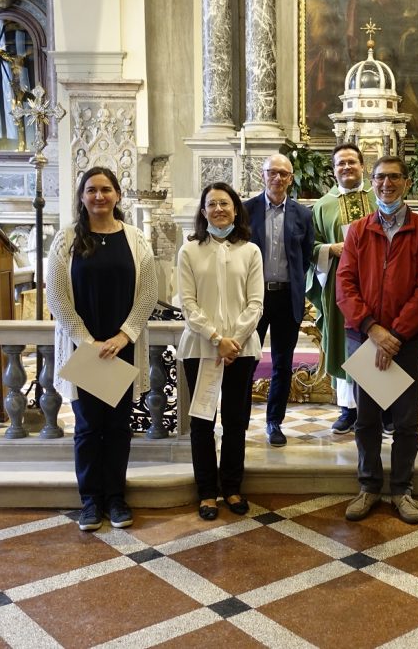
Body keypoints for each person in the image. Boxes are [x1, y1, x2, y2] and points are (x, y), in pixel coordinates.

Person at [47, 166, 158, 532]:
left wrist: (124, 336)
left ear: (117, 195)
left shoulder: (136, 239)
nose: (99, 196)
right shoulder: (66, 241)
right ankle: (91, 501)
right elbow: (57, 297)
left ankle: (116, 497)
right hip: (86, 349)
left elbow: (148, 293)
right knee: (88, 427)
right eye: (91, 190)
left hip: (121, 347)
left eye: (106, 189)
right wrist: (87, 340)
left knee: (119, 426)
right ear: (82, 197)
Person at [336, 155, 418, 524]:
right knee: (365, 418)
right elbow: (345, 284)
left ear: (407, 183)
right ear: (372, 181)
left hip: (405, 340)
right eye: (380, 177)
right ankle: (368, 486)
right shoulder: (359, 230)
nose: (386, 184)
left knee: (407, 420)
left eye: (394, 177)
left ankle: (401, 489)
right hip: (364, 336)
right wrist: (372, 329)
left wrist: (395, 334)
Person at [177, 182, 264, 520]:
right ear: (203, 211)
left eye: (224, 204)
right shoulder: (189, 251)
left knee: (235, 421)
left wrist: (234, 341)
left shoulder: (250, 251)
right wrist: (217, 338)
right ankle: (206, 492)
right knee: (202, 422)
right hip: (201, 348)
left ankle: (231, 486)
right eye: (211, 204)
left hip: (240, 351)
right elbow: (188, 303)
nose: (218, 209)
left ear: (235, 209)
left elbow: (256, 304)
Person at [307, 143, 377, 435]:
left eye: (352, 162)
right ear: (333, 170)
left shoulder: (380, 198)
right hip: (340, 287)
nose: (346, 168)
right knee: (344, 343)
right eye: (340, 164)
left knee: (376, 342)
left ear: (363, 166)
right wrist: (329, 248)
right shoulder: (323, 205)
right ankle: (348, 409)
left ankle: (378, 409)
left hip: (376, 286)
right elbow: (310, 246)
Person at [245, 154, 314, 447]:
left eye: (283, 174)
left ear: (291, 178)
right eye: (272, 172)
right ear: (263, 175)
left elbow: (307, 256)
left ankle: (275, 422)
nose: (277, 178)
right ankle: (239, 418)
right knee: (246, 361)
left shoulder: (303, 214)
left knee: (282, 364)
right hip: (253, 298)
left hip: (287, 297)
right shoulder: (246, 210)